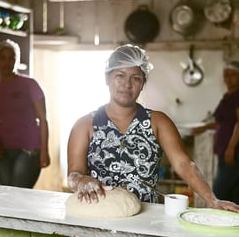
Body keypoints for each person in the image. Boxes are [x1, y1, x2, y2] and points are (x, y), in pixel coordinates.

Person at [67, 44, 239, 213]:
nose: (127, 84)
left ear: (143, 84)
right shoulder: (85, 125)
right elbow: (74, 175)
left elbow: (183, 164)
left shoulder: (158, 122)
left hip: (148, 217)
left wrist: (212, 200)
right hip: (99, 214)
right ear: (107, 78)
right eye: (120, 75)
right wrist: (82, 180)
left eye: (135, 78)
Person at [0, 39, 50, 188]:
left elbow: (43, 120)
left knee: (17, 192)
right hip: (2, 153)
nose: (7, 62)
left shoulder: (30, 85)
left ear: (16, 60)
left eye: (11, 57)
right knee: (8, 195)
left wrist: (44, 151)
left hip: (29, 151)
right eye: (2, 57)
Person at [192, 60, 239, 204]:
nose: (228, 78)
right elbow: (221, 122)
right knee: (234, 192)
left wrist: (231, 147)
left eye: (232, 75)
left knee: (219, 193)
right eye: (226, 75)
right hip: (224, 151)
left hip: (234, 152)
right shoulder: (227, 97)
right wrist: (205, 127)